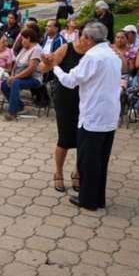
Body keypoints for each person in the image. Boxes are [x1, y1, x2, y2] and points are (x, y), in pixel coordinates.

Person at [45, 22, 121, 211]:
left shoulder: (93, 56)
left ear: (89, 39)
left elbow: (70, 81)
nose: (80, 42)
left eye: (83, 38)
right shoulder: (113, 54)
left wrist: (54, 66)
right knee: (101, 160)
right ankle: (98, 198)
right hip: (109, 115)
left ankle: (87, 200)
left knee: (88, 160)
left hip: (93, 116)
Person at [40, 36, 90, 193]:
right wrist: (48, 62)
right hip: (65, 98)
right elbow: (43, 68)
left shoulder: (94, 52)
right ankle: (58, 172)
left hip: (87, 100)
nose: (87, 40)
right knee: (65, 138)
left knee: (83, 137)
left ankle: (77, 171)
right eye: (85, 36)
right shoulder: (66, 48)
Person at [2, 28, 43, 121]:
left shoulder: (37, 49)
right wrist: (12, 75)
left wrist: (15, 77)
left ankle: (12, 113)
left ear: (28, 38)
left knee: (16, 83)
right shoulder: (25, 48)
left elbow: (31, 69)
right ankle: (19, 106)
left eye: (23, 39)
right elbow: (15, 64)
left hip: (33, 78)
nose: (21, 41)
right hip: (20, 76)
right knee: (4, 84)